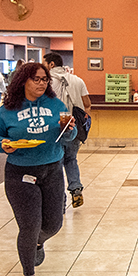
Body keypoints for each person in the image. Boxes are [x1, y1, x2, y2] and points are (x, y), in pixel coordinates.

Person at [0, 62, 76, 276]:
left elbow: (69, 134)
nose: (41, 83)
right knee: (29, 225)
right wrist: (3, 145)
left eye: (44, 79)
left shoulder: (55, 104)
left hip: (52, 169)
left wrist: (68, 129)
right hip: (20, 172)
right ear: (23, 80)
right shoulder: (8, 109)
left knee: (53, 224)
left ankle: (37, 244)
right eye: (36, 79)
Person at [44, 52, 92, 209]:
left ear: (51, 64)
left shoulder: (45, 81)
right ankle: (76, 188)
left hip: (53, 126)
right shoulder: (78, 80)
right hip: (74, 125)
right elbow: (87, 103)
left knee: (56, 162)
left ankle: (60, 200)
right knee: (71, 159)